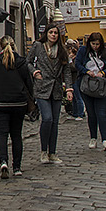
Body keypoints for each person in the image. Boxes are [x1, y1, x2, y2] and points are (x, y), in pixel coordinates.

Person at [0, 36, 33, 179]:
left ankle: (3, 162)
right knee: (16, 135)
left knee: (2, 134)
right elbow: (29, 83)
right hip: (18, 103)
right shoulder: (20, 61)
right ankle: (17, 167)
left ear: (0, 46)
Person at [29, 25, 73, 164]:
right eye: (51, 32)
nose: (53, 35)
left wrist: (69, 89)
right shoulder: (38, 46)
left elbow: (66, 70)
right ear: (46, 33)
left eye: (55, 33)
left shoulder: (62, 50)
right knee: (47, 119)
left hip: (57, 89)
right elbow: (28, 62)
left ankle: (52, 152)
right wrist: (34, 72)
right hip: (42, 87)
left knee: (54, 122)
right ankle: (43, 151)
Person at [75, 32, 106, 150]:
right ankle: (93, 138)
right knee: (91, 114)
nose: (95, 46)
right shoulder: (83, 51)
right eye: (93, 44)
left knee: (102, 113)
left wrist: (103, 73)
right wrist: (86, 71)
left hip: (102, 86)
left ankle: (105, 140)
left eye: (97, 44)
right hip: (87, 85)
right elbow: (77, 63)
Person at [66, 39, 85, 121]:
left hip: (76, 79)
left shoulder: (76, 59)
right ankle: (75, 113)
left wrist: (70, 61)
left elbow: (74, 68)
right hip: (71, 80)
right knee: (73, 98)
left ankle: (80, 114)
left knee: (78, 97)